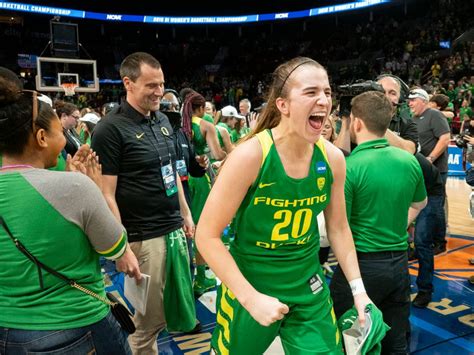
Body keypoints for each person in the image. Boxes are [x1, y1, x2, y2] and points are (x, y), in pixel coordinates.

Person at [196, 57, 372, 354]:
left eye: (327, 92)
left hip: (307, 283)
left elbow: (339, 228)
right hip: (251, 283)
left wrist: (359, 290)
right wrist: (250, 298)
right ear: (283, 105)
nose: (323, 100)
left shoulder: (333, 159)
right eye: (311, 92)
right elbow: (206, 236)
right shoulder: (251, 156)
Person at [0, 78, 140, 354]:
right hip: (75, 327)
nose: (65, 139)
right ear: (41, 137)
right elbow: (115, 245)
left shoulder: (66, 185)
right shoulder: (75, 187)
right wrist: (96, 190)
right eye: (59, 132)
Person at [92, 52, 195, 355]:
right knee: (145, 323)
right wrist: (121, 246)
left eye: (161, 84)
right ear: (128, 83)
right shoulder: (109, 129)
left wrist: (185, 215)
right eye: (151, 85)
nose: (159, 92)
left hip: (172, 230)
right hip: (142, 239)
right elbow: (105, 193)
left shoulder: (163, 119)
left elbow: (172, 172)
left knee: (165, 315)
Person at [330, 91, 427, 354]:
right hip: (399, 266)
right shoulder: (409, 161)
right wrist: (397, 225)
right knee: (396, 341)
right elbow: (420, 204)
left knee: (350, 342)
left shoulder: (349, 167)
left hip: (361, 267)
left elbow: (339, 228)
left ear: (356, 123)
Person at [408, 88, 450, 254]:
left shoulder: (434, 114)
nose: (409, 103)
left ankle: (439, 242)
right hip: (420, 172)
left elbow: (445, 138)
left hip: (436, 170)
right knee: (422, 206)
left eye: (413, 100)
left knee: (434, 207)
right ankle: (423, 240)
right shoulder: (414, 119)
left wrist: (430, 159)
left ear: (423, 100)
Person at [335, 75, 418, 154]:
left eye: (392, 93)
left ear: (400, 98)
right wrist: (346, 120)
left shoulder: (407, 124)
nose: (386, 96)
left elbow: (409, 150)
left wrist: (373, 122)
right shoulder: (356, 120)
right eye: (381, 91)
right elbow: (339, 157)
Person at [412, 153, 446, 308]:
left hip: (431, 191)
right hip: (415, 188)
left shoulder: (407, 159)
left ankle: (425, 289)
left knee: (422, 240)